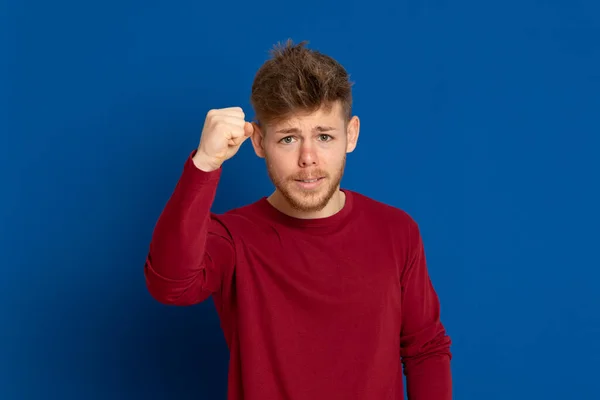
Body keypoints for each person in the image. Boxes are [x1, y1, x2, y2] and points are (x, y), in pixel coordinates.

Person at [144, 39, 452, 400]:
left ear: (350, 134)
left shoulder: (397, 231)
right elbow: (169, 285)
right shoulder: (232, 238)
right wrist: (204, 165)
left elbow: (425, 348)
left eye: (324, 136)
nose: (309, 158)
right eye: (288, 138)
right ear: (258, 142)